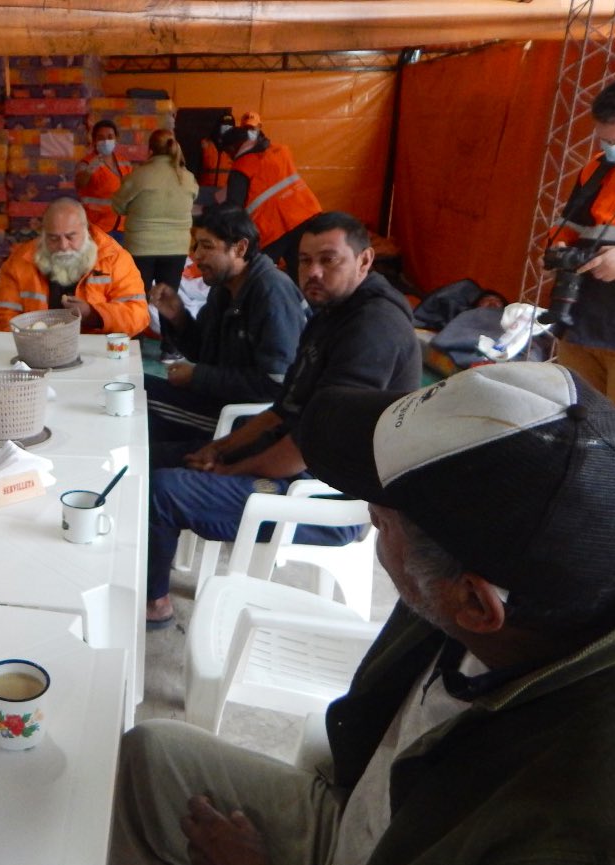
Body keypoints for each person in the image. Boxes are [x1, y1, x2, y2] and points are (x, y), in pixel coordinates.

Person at [110, 359, 615, 865]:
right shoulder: (511, 601)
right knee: (150, 756)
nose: (375, 530)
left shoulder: (572, 839)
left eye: (380, 522)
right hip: (362, 825)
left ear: (473, 604)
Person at [145, 212, 419, 628]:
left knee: (162, 489)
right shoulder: (331, 313)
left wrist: (229, 469)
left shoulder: (372, 328)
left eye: (329, 260)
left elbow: (303, 450)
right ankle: (148, 579)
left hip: (325, 494)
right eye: (305, 261)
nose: (313, 272)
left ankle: (154, 604)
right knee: (157, 462)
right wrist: (218, 449)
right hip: (295, 462)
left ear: (365, 261)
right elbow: (282, 410)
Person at [145, 202, 307, 446]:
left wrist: (199, 377)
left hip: (249, 422)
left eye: (207, 246)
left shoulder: (271, 292)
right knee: (133, 388)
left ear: (240, 248)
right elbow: (202, 351)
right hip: (220, 399)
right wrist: (178, 317)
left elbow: (276, 383)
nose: (196, 255)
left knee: (137, 399)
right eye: (196, 245)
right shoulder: (224, 288)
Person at [548, 77, 615, 410]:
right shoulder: (596, 167)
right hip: (580, 327)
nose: (611, 148)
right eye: (605, 139)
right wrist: (559, 249)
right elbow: (569, 227)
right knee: (576, 427)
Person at [0, 197, 150, 336]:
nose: (63, 246)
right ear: (43, 234)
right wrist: (32, 341)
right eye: (53, 238)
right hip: (36, 353)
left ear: (86, 230)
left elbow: (139, 316)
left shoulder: (114, 259)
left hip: (97, 352)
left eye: (70, 237)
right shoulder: (21, 261)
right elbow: (1, 319)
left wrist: (94, 314)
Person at [112, 128, 200, 361]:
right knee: (168, 296)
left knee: (136, 296)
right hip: (176, 248)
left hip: (141, 246)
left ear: (149, 149)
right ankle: (170, 349)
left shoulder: (139, 176)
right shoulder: (187, 177)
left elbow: (118, 205)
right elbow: (193, 199)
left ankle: (135, 345)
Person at [220, 120, 321, 283]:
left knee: (254, 273)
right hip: (304, 215)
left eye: (227, 152)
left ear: (233, 148)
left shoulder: (242, 167)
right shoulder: (281, 151)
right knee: (301, 270)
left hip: (273, 228)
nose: (229, 157)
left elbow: (234, 209)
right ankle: (305, 305)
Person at [75, 119, 133, 242]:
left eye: (110, 136)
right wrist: (89, 170)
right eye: (101, 137)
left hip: (121, 226)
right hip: (99, 226)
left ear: (116, 138)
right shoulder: (86, 163)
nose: (106, 141)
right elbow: (79, 184)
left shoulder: (124, 162)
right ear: (94, 140)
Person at [197, 112, 236, 190]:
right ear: (218, 126)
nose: (227, 128)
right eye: (224, 125)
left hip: (224, 193)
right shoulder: (205, 144)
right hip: (204, 191)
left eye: (230, 126)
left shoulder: (235, 147)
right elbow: (195, 168)